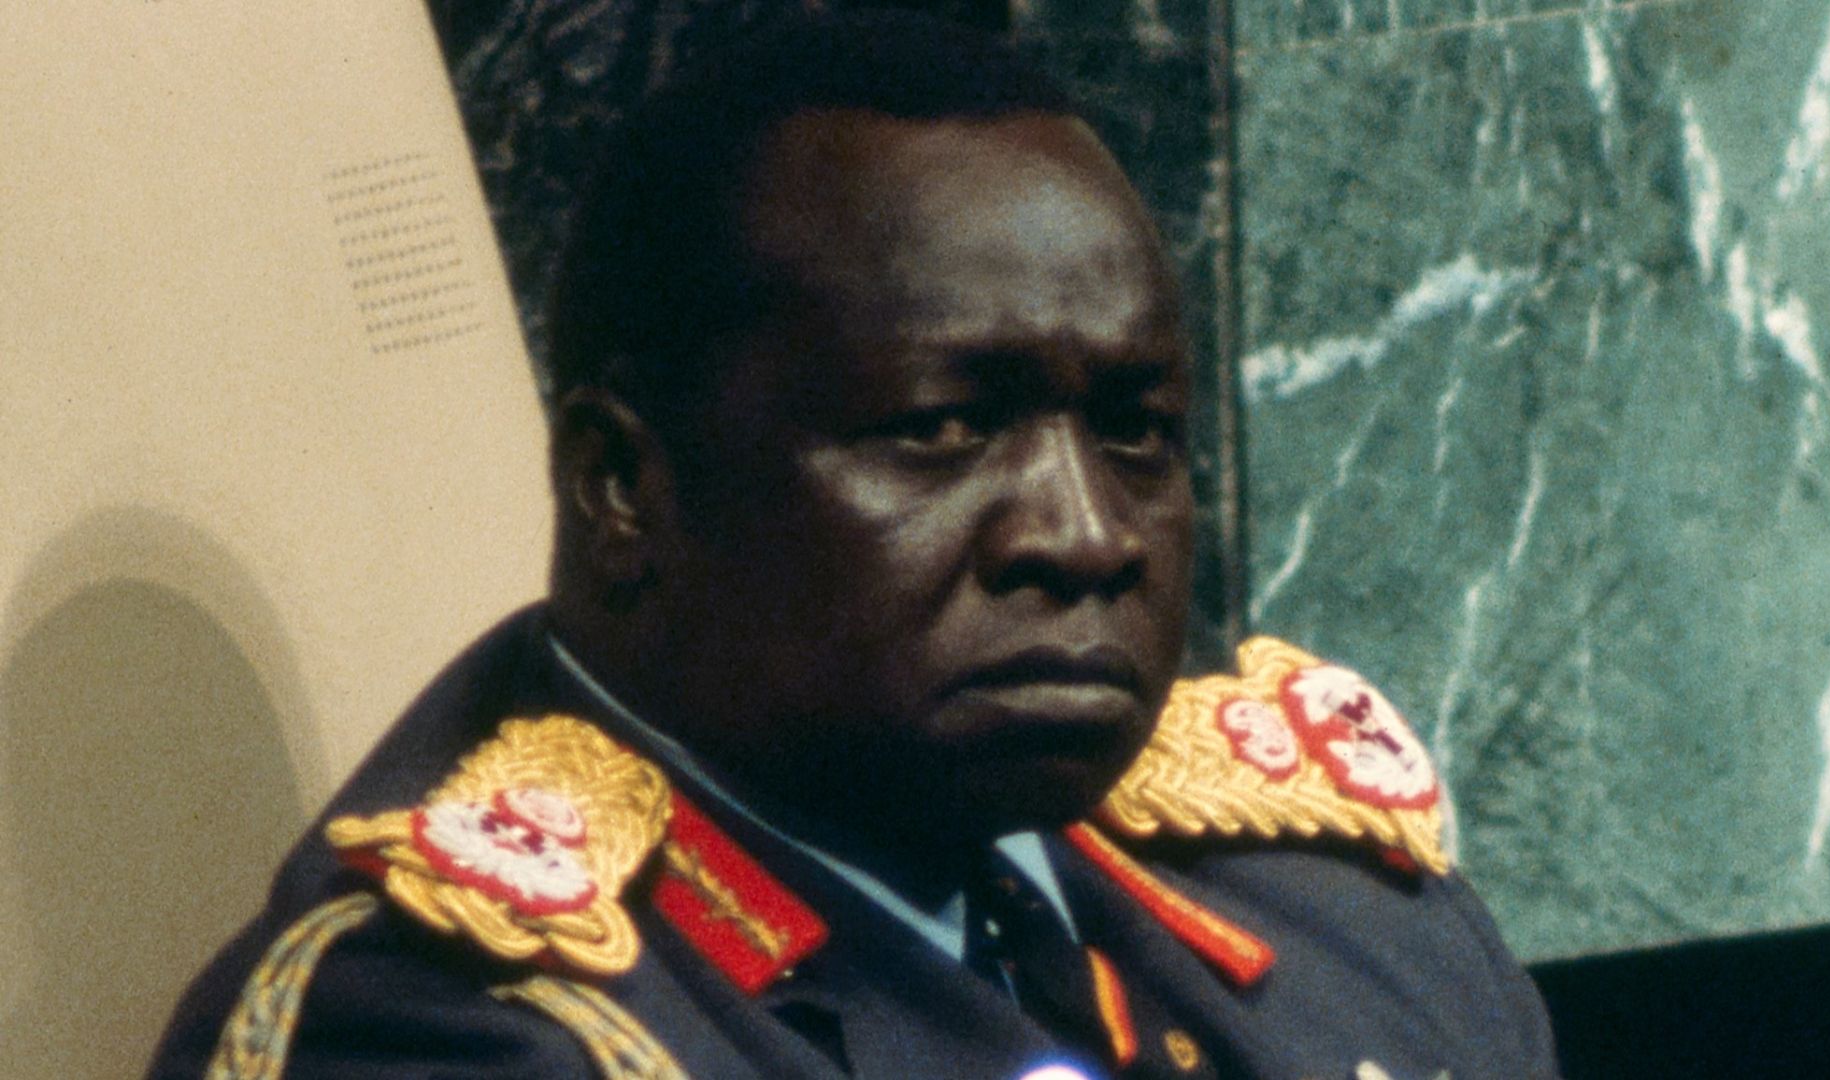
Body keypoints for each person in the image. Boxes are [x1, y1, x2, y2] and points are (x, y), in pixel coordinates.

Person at [149, 12, 1558, 1079]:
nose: (1084, 536)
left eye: (1136, 430)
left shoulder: (1352, 926)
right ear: (622, 486)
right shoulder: (452, 1035)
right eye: (946, 431)